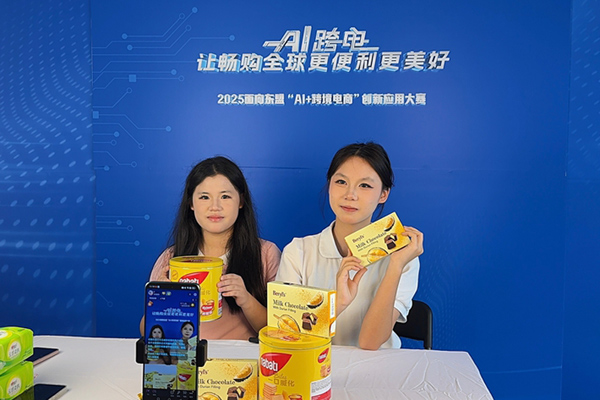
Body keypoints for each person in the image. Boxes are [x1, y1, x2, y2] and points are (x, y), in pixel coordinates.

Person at [276, 142, 424, 350]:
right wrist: (338, 304)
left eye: (365, 186)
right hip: (313, 363)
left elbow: (370, 342)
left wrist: (395, 266)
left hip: (378, 365)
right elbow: (289, 337)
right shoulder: (298, 252)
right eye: (341, 182)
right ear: (329, 185)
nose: (350, 195)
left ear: (383, 194)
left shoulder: (403, 257)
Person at [144, 156, 281, 340]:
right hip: (189, 355)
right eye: (204, 197)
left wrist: (246, 299)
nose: (215, 207)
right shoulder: (171, 259)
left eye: (225, 196)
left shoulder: (266, 254)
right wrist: (163, 297)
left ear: (241, 201)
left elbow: (279, 331)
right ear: (191, 204)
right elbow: (147, 331)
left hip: (243, 356)